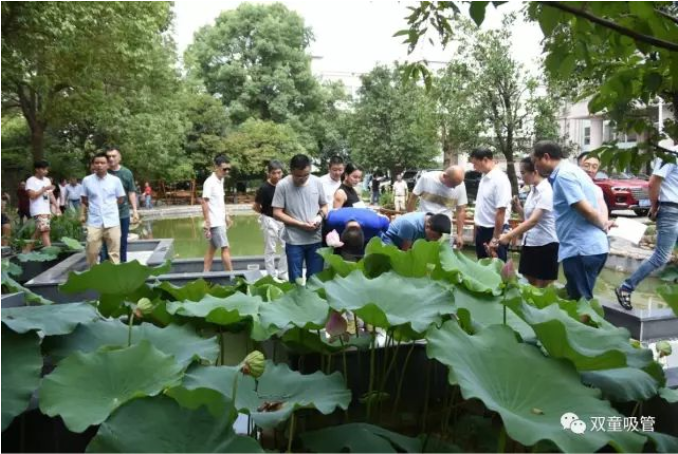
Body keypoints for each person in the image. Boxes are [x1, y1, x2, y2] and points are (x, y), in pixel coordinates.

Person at [532, 140, 609, 301]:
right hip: (590, 248)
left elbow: (586, 210)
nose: (535, 167)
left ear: (546, 157)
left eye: (536, 161)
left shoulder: (564, 176)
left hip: (580, 249)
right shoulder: (573, 171)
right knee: (577, 298)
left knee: (581, 303)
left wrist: (603, 225)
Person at [616, 157, 678, 309]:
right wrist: (654, 206)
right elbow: (653, 182)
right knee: (661, 257)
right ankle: (626, 287)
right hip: (671, 210)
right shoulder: (670, 155)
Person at [493, 158, 559, 288]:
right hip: (530, 243)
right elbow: (528, 218)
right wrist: (518, 208)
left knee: (540, 286)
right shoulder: (533, 190)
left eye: (523, 173)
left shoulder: (546, 191)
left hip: (545, 245)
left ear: (535, 172)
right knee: (528, 282)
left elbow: (533, 221)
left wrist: (508, 236)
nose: (521, 176)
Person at [272, 154, 328, 283]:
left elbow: (324, 206)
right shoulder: (282, 185)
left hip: (315, 238)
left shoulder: (317, 182)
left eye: (306, 175)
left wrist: (319, 217)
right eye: (298, 176)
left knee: (315, 280)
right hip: (294, 240)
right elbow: (277, 213)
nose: (302, 179)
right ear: (291, 171)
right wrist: (300, 224)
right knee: (295, 281)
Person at [80, 152, 126, 266]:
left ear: (108, 165)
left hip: (112, 220)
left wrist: (110, 207)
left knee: (114, 252)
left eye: (102, 163)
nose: (99, 165)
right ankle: (93, 272)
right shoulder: (87, 180)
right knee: (92, 250)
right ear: (93, 165)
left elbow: (120, 198)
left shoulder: (115, 180)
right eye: (97, 163)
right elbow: (84, 199)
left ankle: (114, 273)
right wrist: (93, 208)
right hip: (94, 221)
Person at [408, 166, 468, 249]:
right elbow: (413, 198)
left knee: (443, 254)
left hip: (444, 230)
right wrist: (409, 219)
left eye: (457, 185)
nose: (455, 187)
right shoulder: (427, 178)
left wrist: (460, 235)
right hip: (424, 226)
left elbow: (461, 211)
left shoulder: (460, 186)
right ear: (445, 176)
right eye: (453, 184)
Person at [470, 148, 512, 261]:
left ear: (485, 160)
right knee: (482, 264)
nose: (474, 167)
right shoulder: (484, 176)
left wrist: (495, 238)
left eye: (475, 164)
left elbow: (501, 210)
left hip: (495, 230)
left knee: (496, 265)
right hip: (482, 229)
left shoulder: (500, 179)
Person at [101, 148, 139, 263]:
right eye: (109, 156)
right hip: (106, 213)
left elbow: (131, 192)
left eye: (114, 156)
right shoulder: (102, 172)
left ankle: (122, 264)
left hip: (122, 213)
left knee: (122, 241)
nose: (111, 158)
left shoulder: (127, 173)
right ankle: (105, 266)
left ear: (119, 158)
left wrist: (135, 210)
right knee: (105, 242)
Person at [253, 160, 288, 281]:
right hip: (269, 220)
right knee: (270, 249)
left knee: (286, 246)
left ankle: (282, 273)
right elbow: (255, 206)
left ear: (282, 173)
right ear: (268, 173)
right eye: (274, 173)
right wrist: (266, 214)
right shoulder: (264, 188)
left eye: (279, 172)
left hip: (282, 219)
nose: (277, 176)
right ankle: (271, 275)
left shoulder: (284, 186)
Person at [201, 155, 234, 273]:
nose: (227, 171)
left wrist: (226, 216)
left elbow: (219, 202)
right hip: (215, 222)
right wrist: (207, 222)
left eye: (229, 169)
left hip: (220, 220)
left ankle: (205, 274)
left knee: (212, 248)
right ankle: (231, 275)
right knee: (225, 248)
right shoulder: (209, 182)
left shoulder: (221, 180)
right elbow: (204, 202)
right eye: (225, 169)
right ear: (216, 167)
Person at [24, 160, 60, 252]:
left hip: (46, 209)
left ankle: (26, 250)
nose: (46, 171)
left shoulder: (47, 180)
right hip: (37, 209)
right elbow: (32, 196)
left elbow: (50, 194)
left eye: (47, 169)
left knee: (40, 230)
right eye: (44, 169)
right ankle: (50, 252)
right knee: (45, 230)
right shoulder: (31, 181)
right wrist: (44, 189)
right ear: (37, 169)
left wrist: (57, 206)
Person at [324, 207, 390, 256]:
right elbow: (329, 213)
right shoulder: (332, 220)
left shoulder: (375, 223)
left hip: (369, 219)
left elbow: (387, 221)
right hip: (345, 215)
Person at [382, 212, 451, 251]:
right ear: (427, 226)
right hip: (392, 240)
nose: (434, 240)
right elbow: (404, 251)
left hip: (411, 242)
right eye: (433, 237)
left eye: (437, 238)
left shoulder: (433, 222)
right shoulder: (410, 224)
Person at [578, 152, 609, 223]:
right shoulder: (571, 185)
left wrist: (605, 224)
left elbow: (603, 210)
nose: (590, 170)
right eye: (586, 166)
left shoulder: (597, 189)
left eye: (594, 167)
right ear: (578, 166)